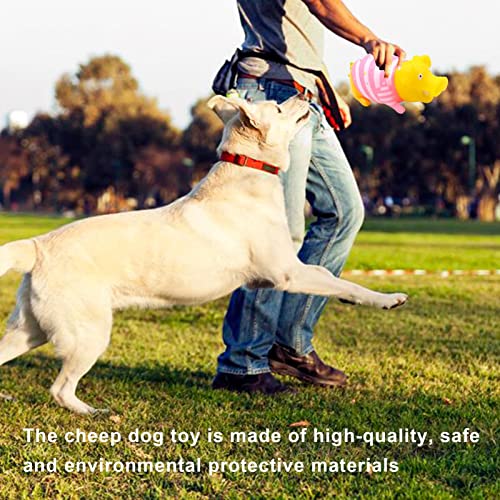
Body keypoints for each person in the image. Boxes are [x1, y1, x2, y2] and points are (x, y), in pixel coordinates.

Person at [212, 0, 406, 394]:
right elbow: (320, 4)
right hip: (273, 95)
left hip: (302, 96)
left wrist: (323, 88)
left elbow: (296, 30)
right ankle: (243, 363)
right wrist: (369, 39)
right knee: (277, 236)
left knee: (343, 212)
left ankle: (290, 344)